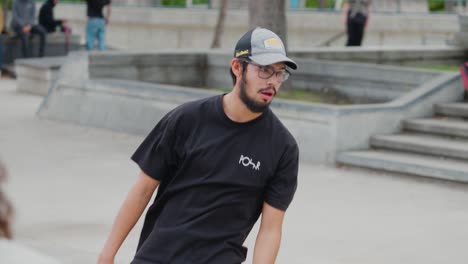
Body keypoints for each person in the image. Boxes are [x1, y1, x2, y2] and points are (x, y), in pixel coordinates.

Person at [98, 27, 299, 264]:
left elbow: (270, 229)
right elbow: (142, 190)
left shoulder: (283, 148)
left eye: (279, 73)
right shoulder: (187, 119)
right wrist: (107, 255)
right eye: (265, 70)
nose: (273, 82)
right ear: (237, 67)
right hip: (157, 257)